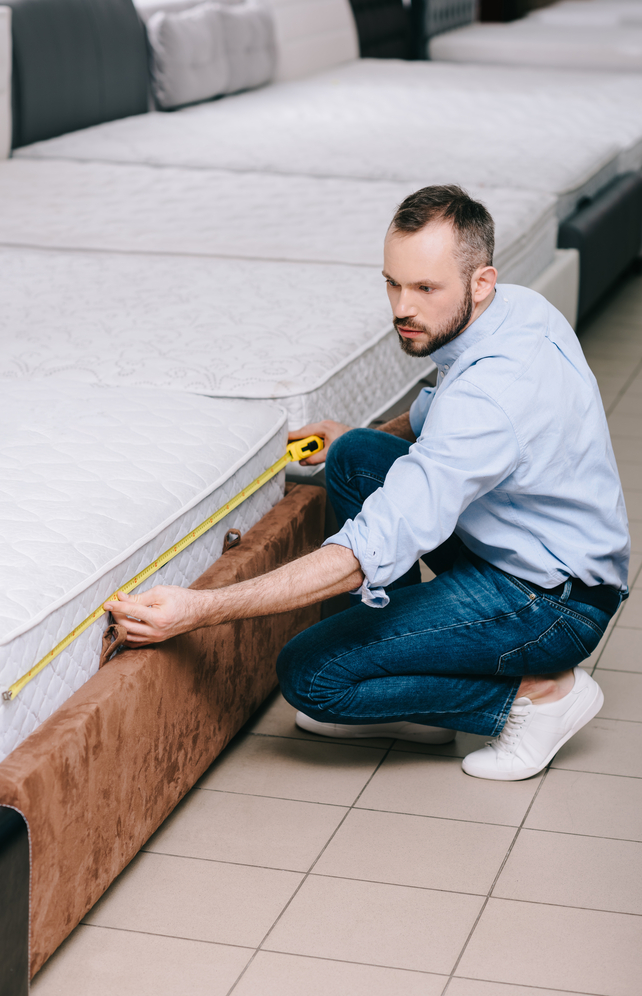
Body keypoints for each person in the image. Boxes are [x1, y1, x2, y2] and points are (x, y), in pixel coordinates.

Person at [105, 185, 630, 782]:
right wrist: (368, 430)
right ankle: (421, 692)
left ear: (479, 282)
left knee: (311, 675)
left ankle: (534, 702)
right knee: (355, 453)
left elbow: (364, 553)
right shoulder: (512, 310)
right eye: (392, 283)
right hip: (533, 550)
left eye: (425, 289)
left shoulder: (494, 395)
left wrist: (200, 608)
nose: (402, 308)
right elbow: (442, 410)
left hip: (551, 604)